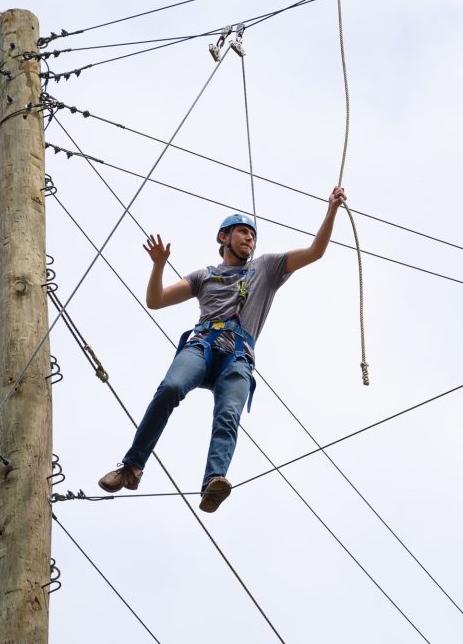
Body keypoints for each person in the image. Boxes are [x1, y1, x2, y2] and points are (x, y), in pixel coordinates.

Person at [98, 185, 347, 513]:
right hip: (202, 345)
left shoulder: (267, 268)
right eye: (243, 233)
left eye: (253, 235)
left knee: (228, 413)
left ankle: (213, 482)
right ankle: (131, 467)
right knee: (170, 388)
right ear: (223, 237)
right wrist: (159, 265)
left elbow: (315, 251)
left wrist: (331, 211)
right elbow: (155, 300)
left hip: (238, 356)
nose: (250, 239)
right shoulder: (205, 276)